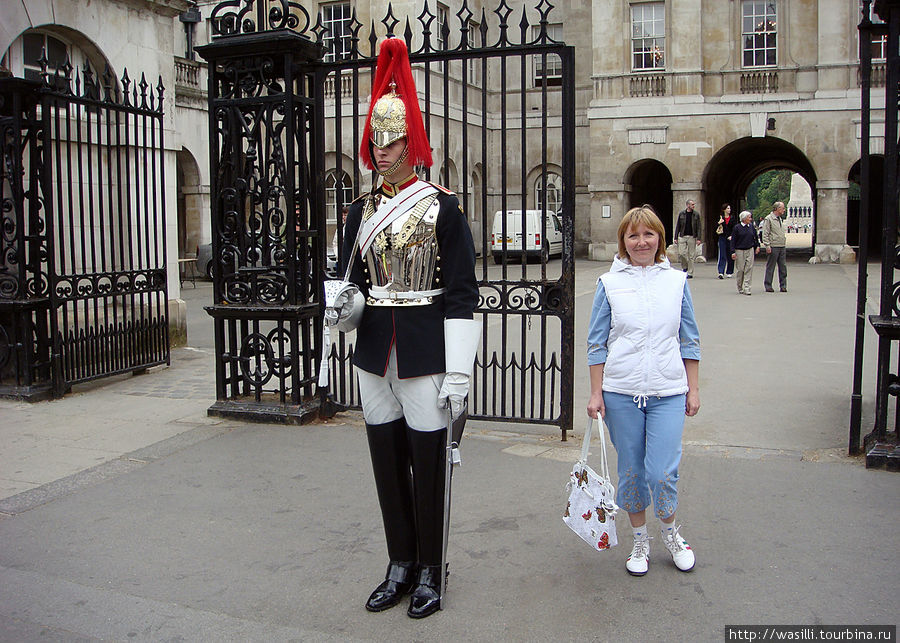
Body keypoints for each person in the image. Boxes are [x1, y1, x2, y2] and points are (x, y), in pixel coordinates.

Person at [340, 37, 480, 619]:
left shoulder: (443, 208)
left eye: (393, 138)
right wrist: (340, 308)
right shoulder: (360, 210)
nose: (383, 147)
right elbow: (349, 281)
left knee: (428, 459)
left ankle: (429, 565)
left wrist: (458, 370)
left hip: (424, 347)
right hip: (376, 349)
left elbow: (462, 295)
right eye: (377, 138)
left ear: (412, 140)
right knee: (384, 456)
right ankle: (399, 560)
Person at [586, 205, 701, 577]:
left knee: (662, 472)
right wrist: (595, 393)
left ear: (659, 239)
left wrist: (693, 390)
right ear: (623, 241)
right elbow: (596, 343)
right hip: (621, 391)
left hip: (668, 390)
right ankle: (639, 539)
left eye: (648, 234)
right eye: (633, 235)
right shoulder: (609, 284)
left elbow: (690, 340)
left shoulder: (677, 281)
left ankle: (670, 533)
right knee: (633, 470)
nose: (641, 241)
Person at [730, 210, 760, 296]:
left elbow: (755, 237)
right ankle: (740, 286)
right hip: (739, 250)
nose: (750, 219)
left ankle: (747, 288)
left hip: (749, 249)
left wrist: (757, 246)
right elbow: (733, 241)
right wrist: (732, 252)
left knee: (749, 269)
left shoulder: (751, 227)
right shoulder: (737, 228)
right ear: (743, 219)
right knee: (741, 270)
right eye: (749, 217)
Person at [762, 201, 787, 292]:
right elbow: (765, 233)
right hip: (773, 245)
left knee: (783, 267)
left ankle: (783, 285)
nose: (784, 210)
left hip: (781, 245)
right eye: (783, 208)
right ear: (777, 209)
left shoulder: (780, 218)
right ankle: (768, 285)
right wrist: (767, 245)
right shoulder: (769, 219)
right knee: (771, 267)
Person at [673, 199, 701, 278]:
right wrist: (676, 237)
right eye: (692, 204)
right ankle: (685, 267)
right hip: (682, 236)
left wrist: (699, 238)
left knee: (691, 256)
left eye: (694, 204)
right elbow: (678, 225)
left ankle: (690, 273)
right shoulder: (682, 214)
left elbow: (699, 227)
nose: (693, 206)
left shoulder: (696, 214)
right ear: (688, 205)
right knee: (681, 253)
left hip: (692, 236)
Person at [715, 203, 735, 279]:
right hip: (722, 237)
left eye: (729, 208)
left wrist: (732, 236)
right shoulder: (720, 218)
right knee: (722, 254)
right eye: (727, 208)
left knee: (730, 254)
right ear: (724, 210)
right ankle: (721, 272)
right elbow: (715, 228)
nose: (729, 210)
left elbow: (734, 228)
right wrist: (719, 223)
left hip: (730, 238)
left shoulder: (732, 218)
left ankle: (729, 271)